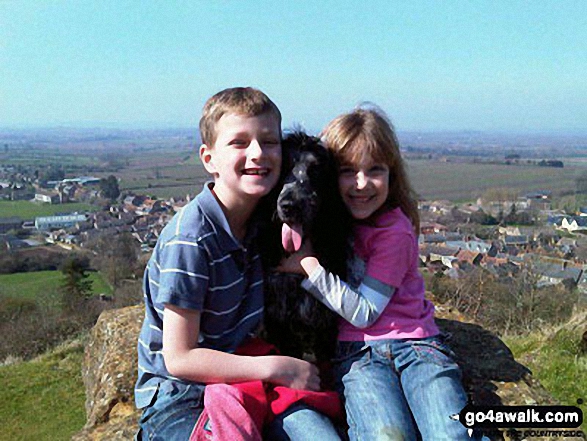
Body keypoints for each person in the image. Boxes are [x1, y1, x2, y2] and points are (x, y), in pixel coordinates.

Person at [134, 87, 341, 440]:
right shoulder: (191, 239)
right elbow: (180, 358)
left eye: (269, 141)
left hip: (248, 379)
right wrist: (276, 368)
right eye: (239, 143)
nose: (258, 153)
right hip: (180, 394)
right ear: (208, 158)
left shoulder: (261, 224)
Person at [283, 105, 485, 440]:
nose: (361, 184)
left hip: (416, 347)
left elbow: (364, 313)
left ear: (392, 173)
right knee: (386, 435)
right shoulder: (328, 224)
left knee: (451, 433)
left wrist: (308, 268)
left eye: (374, 169)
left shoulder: (394, 231)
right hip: (360, 355)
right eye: (347, 171)